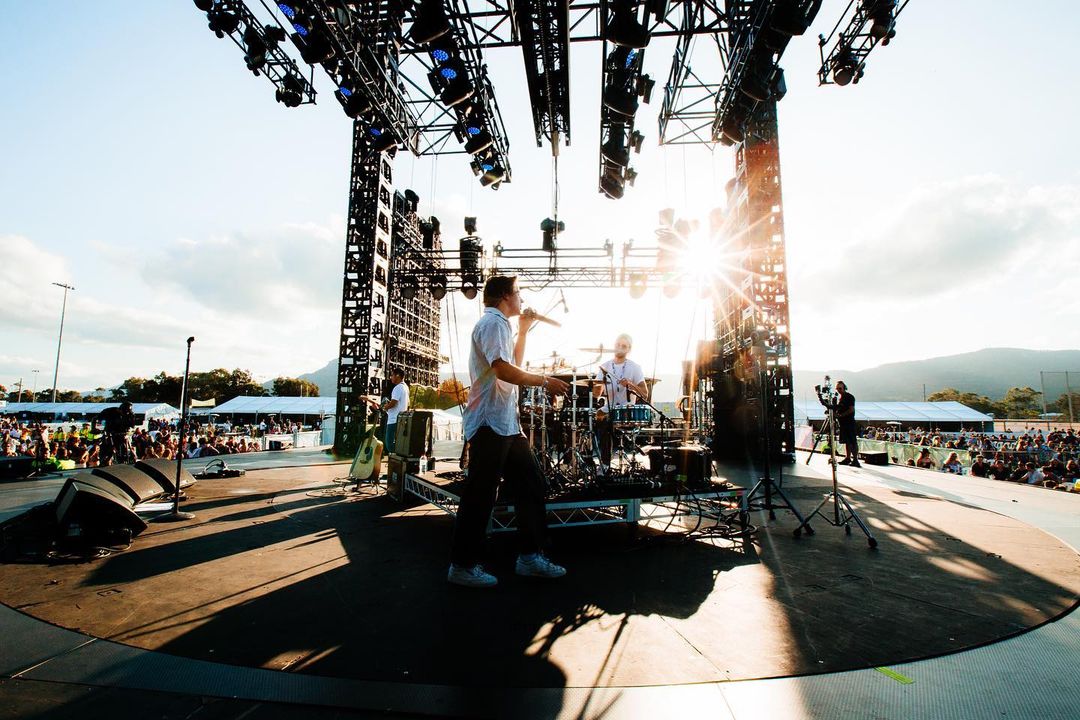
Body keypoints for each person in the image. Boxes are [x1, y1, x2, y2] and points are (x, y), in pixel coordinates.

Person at [447, 275, 571, 588]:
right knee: (480, 494)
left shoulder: (502, 325)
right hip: (490, 421)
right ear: (505, 295)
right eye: (518, 293)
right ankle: (462, 565)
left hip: (504, 423)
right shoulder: (493, 323)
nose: (521, 299)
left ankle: (529, 557)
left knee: (531, 483)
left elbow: (511, 363)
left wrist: (525, 331)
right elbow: (502, 368)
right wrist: (544, 381)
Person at [592, 333, 649, 467]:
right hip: (608, 408)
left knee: (607, 422)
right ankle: (588, 456)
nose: (620, 347)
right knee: (592, 418)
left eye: (623, 346)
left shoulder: (635, 367)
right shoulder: (604, 366)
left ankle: (605, 463)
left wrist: (631, 384)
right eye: (618, 345)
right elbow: (596, 394)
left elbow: (645, 394)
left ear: (629, 349)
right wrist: (597, 385)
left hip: (626, 410)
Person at [382, 367, 409, 455]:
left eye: (392, 375)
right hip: (401, 419)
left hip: (394, 419)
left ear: (397, 375)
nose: (391, 377)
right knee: (398, 442)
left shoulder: (397, 388)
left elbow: (393, 403)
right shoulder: (405, 387)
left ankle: (395, 458)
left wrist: (386, 406)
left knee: (389, 444)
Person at [833, 380, 860, 468]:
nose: (838, 390)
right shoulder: (841, 398)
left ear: (844, 387)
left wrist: (840, 415)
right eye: (837, 388)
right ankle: (848, 457)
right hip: (843, 423)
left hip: (849, 422)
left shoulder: (849, 397)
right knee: (847, 441)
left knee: (852, 441)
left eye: (840, 388)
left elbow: (851, 409)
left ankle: (855, 459)